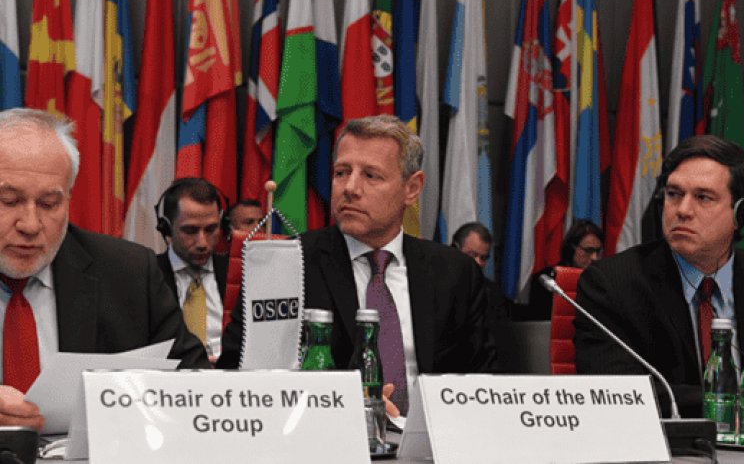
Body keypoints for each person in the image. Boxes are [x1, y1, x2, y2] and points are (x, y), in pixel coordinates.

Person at [219, 114, 497, 415]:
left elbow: (483, 385)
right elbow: (239, 377)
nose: (349, 188)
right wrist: (348, 407)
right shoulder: (286, 263)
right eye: (341, 172)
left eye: (371, 176)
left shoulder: (456, 273)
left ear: (412, 189)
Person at [0, 108, 209, 430]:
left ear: (68, 199)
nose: (30, 225)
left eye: (49, 204)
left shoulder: (129, 274)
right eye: (9, 200)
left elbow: (197, 389)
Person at [574, 135, 744, 418]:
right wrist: (737, 407)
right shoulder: (613, 284)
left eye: (703, 197)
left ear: (741, 213)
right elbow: (616, 393)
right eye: (674, 194)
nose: (682, 210)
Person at [155, 178, 228, 365]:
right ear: (166, 228)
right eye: (190, 231)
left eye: (211, 229)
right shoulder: (149, 275)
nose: (202, 243)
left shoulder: (238, 273)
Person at [521, 220, 604, 321]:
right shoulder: (548, 280)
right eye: (589, 250)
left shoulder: (601, 282)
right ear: (572, 248)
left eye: (598, 251)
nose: (595, 257)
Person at [452, 222, 515, 322]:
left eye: (484, 258)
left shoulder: (494, 293)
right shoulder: (436, 286)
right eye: (472, 254)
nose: (479, 262)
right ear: (455, 249)